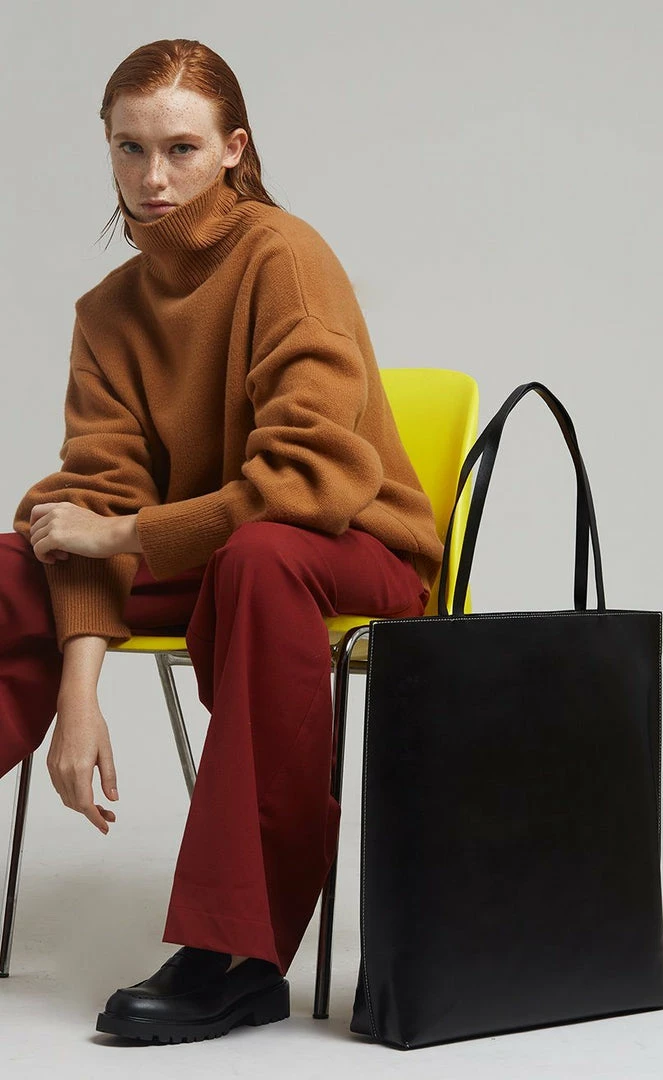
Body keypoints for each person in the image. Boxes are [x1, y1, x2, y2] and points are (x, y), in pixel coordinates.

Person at [0, 38, 444, 1044]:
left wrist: (122, 531)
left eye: (182, 149)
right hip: (212, 554)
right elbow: (93, 499)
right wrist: (78, 693)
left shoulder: (284, 257)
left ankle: (237, 954)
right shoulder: (107, 313)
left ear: (234, 149)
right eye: (130, 149)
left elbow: (310, 482)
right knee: (10, 566)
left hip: (351, 550)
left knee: (260, 556)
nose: (153, 178)